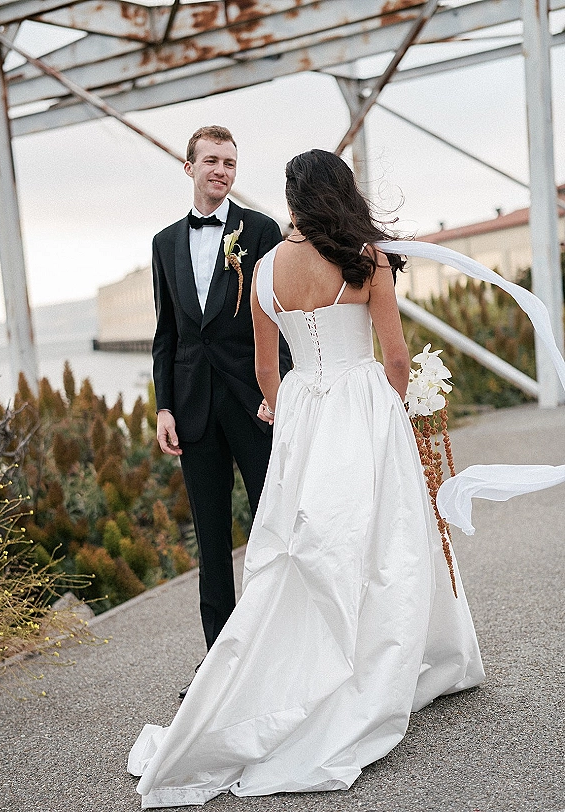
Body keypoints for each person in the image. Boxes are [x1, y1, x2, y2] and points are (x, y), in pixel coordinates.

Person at [128, 149, 484, 806]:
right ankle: (402, 658)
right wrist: (393, 405)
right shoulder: (367, 259)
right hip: (365, 404)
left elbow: (269, 370)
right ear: (339, 194)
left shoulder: (262, 269)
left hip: (305, 414)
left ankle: (307, 664)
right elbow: (396, 357)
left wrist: (275, 406)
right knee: (389, 538)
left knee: (307, 545)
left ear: (292, 203)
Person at [152, 125, 292, 691]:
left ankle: (273, 650)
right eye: (211, 161)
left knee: (268, 528)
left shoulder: (259, 231)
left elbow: (276, 318)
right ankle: (221, 665)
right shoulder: (164, 242)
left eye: (230, 163)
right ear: (189, 168)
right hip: (192, 410)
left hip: (253, 402)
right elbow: (167, 333)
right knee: (211, 540)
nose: (222, 170)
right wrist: (164, 407)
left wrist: (277, 392)